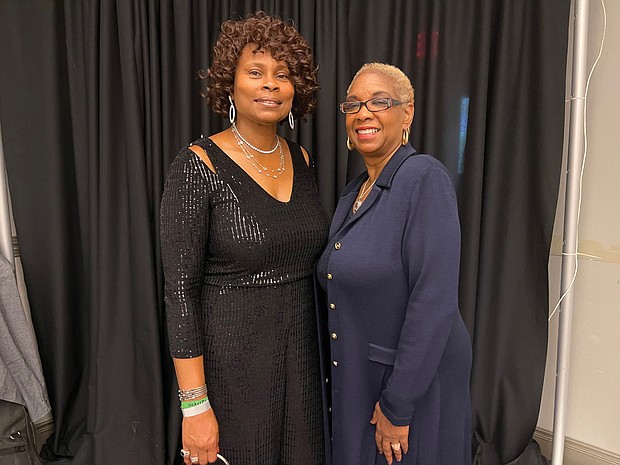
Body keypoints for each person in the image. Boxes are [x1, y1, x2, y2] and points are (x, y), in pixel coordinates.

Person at [160, 12, 329, 465]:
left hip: (302, 368)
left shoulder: (303, 159)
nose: (270, 85)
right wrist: (195, 407)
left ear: (297, 89)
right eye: (255, 72)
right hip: (231, 373)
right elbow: (179, 295)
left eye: (282, 74)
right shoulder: (199, 166)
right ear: (229, 85)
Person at [316, 63, 472, 465]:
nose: (363, 112)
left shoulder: (423, 179)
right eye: (353, 104)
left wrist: (398, 405)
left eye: (380, 101)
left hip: (407, 388)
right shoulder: (355, 192)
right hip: (361, 382)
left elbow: (434, 302)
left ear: (408, 113)